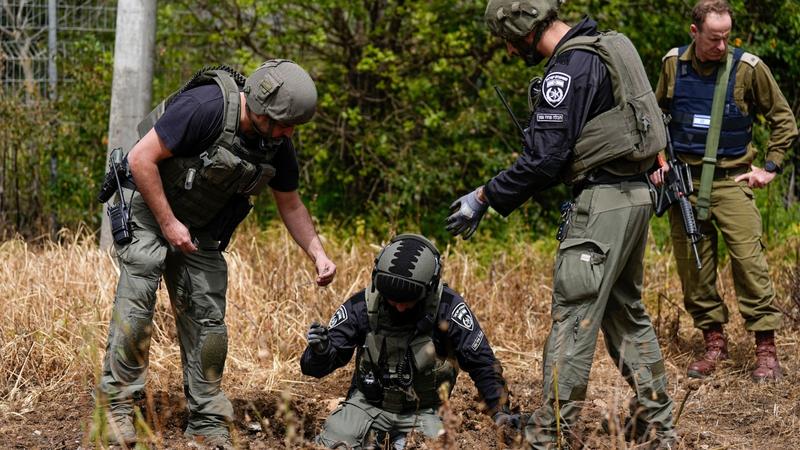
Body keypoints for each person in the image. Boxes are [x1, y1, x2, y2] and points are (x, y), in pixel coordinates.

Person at [447, 0, 677, 448]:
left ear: (525, 29)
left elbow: (544, 159)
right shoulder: (610, 45)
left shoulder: (568, 69)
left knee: (574, 317)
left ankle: (550, 434)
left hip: (602, 206)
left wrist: (484, 197)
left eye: (511, 44)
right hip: (635, 198)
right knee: (626, 315)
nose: (512, 53)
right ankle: (662, 427)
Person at [93, 60, 337, 448]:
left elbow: (290, 204)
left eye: (293, 125)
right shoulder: (204, 108)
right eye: (284, 123)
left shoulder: (275, 142)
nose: (289, 133)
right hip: (149, 205)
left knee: (209, 319)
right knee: (137, 300)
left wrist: (318, 254)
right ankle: (117, 409)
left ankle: (207, 419)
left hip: (198, 226)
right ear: (259, 106)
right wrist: (170, 224)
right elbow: (141, 159)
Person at [651, 0, 797, 381]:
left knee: (750, 264)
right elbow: (652, 118)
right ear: (694, 32)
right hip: (685, 184)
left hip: (732, 182)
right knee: (694, 268)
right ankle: (713, 343)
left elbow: (784, 120)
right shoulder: (672, 65)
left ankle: (766, 349)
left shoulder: (748, 68)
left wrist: (770, 168)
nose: (721, 46)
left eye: (726, 37)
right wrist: (658, 161)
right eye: (714, 38)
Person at [301, 234, 514, 449]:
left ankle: (399, 442)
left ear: (429, 288)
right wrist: (320, 351)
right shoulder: (363, 305)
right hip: (367, 406)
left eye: (408, 301)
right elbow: (314, 369)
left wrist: (499, 411)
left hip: (425, 412)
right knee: (336, 439)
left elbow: (482, 363)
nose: (400, 307)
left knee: (434, 445)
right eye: (393, 300)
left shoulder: (449, 308)